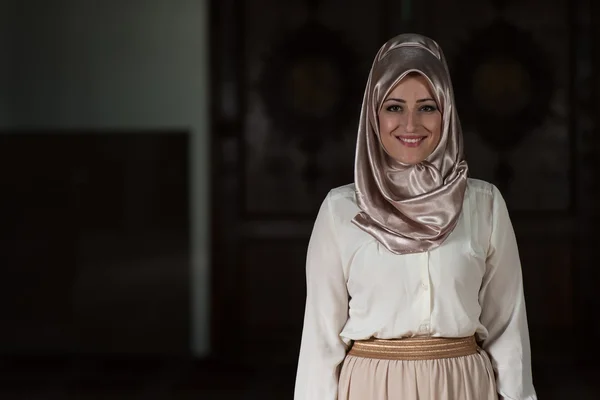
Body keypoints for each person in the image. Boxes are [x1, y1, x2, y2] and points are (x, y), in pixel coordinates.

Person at [294, 33, 537, 400]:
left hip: (464, 386)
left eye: (427, 107)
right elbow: (320, 339)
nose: (411, 124)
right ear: (373, 114)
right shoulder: (339, 210)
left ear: (447, 111)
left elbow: (507, 327)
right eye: (394, 107)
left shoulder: (484, 204)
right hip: (371, 389)